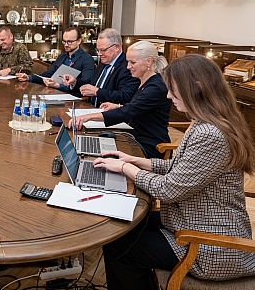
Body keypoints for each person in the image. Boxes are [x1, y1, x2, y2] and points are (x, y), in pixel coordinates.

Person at [97, 54, 255, 289]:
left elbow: (169, 189)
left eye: (172, 90)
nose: (168, 96)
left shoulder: (209, 133)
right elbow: (180, 168)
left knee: (121, 246)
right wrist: (136, 161)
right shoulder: (209, 122)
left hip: (211, 245)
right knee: (121, 224)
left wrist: (125, 168)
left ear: (197, 88)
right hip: (191, 221)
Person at [69, 41, 171, 158]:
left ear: (149, 61)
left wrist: (87, 117)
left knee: (99, 156)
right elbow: (141, 108)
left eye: (132, 62)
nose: (128, 67)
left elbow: (129, 111)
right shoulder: (146, 81)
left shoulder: (156, 86)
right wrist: (118, 107)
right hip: (133, 137)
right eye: (128, 62)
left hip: (148, 146)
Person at [61, 28, 139, 106]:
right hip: (91, 109)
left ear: (117, 48)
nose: (99, 54)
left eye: (103, 50)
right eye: (98, 50)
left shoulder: (128, 66)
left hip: (109, 114)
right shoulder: (103, 63)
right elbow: (91, 83)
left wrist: (97, 92)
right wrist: (75, 82)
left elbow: (125, 96)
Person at [16, 27, 94, 91]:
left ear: (79, 41)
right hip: (54, 93)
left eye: (70, 42)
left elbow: (86, 84)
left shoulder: (87, 59)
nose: (66, 45)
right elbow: (47, 75)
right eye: (64, 41)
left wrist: (59, 86)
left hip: (73, 98)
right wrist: (28, 77)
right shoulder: (61, 57)